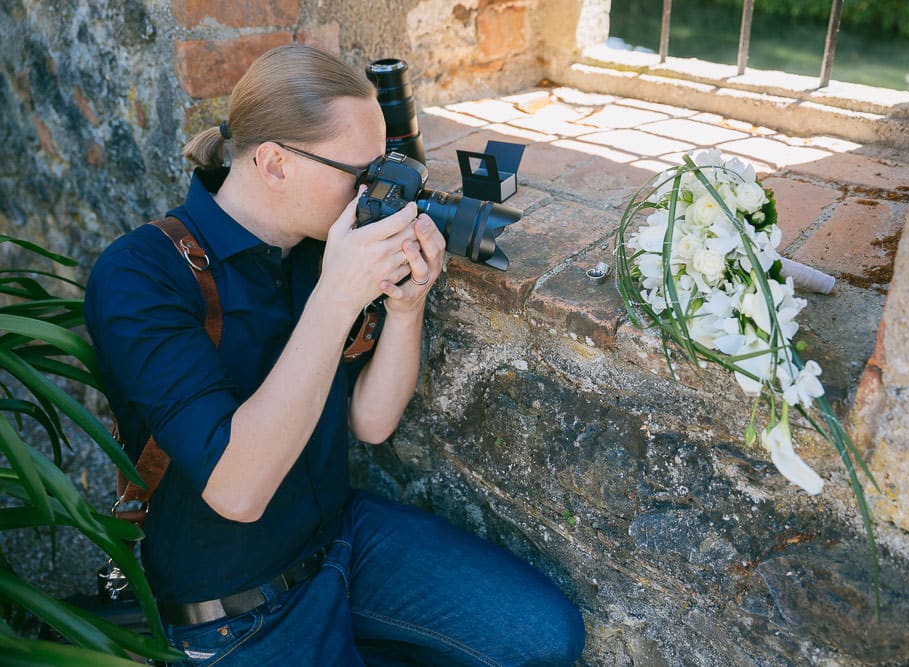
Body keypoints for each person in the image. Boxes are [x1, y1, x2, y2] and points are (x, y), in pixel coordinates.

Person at [84, 44, 585, 666]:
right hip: (234, 614)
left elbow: (372, 423)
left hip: (338, 544)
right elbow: (237, 492)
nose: (377, 190)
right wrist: (338, 294)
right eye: (362, 172)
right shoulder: (141, 276)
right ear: (274, 164)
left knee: (546, 637)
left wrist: (406, 308)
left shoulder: (318, 239)